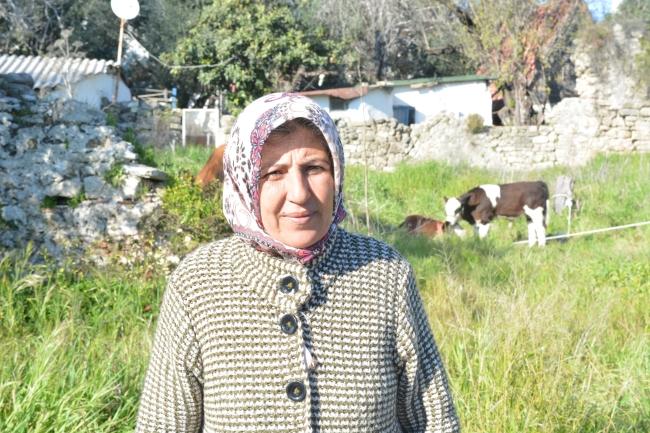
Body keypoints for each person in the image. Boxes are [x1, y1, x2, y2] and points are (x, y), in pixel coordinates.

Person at [135, 93, 460, 432]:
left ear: (336, 173)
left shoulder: (385, 273)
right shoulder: (197, 284)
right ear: (244, 183)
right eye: (274, 173)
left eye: (314, 168)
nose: (300, 193)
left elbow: (433, 421)